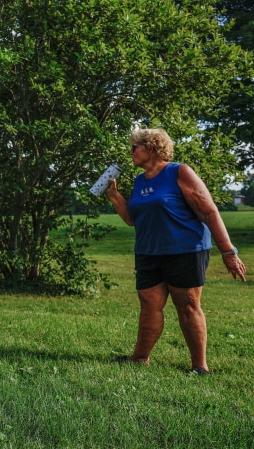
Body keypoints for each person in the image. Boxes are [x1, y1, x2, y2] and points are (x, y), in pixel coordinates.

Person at [105, 128, 246, 375]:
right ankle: (139, 358)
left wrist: (229, 251)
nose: (130, 153)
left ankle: (199, 366)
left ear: (150, 147)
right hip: (149, 252)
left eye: (134, 147)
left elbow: (208, 211)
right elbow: (131, 219)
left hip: (185, 250)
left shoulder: (179, 172)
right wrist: (115, 196)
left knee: (188, 305)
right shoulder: (140, 181)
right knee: (149, 304)